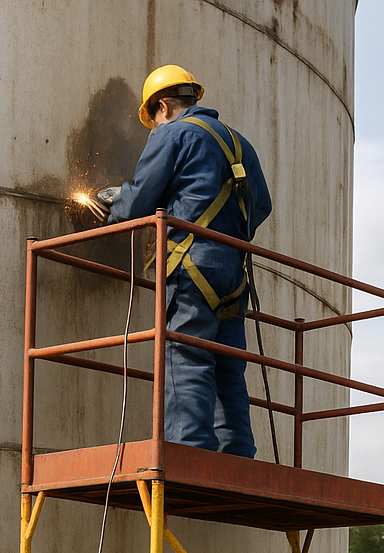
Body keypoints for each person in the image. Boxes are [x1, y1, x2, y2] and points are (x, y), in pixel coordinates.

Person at [102, 63, 273, 458]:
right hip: (233, 273)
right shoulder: (240, 143)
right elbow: (260, 206)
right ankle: (236, 454)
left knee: (186, 356)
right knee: (228, 365)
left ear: (162, 106)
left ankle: (188, 452)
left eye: (153, 121)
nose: (153, 129)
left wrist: (113, 204)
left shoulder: (173, 134)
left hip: (191, 268)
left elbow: (141, 197)